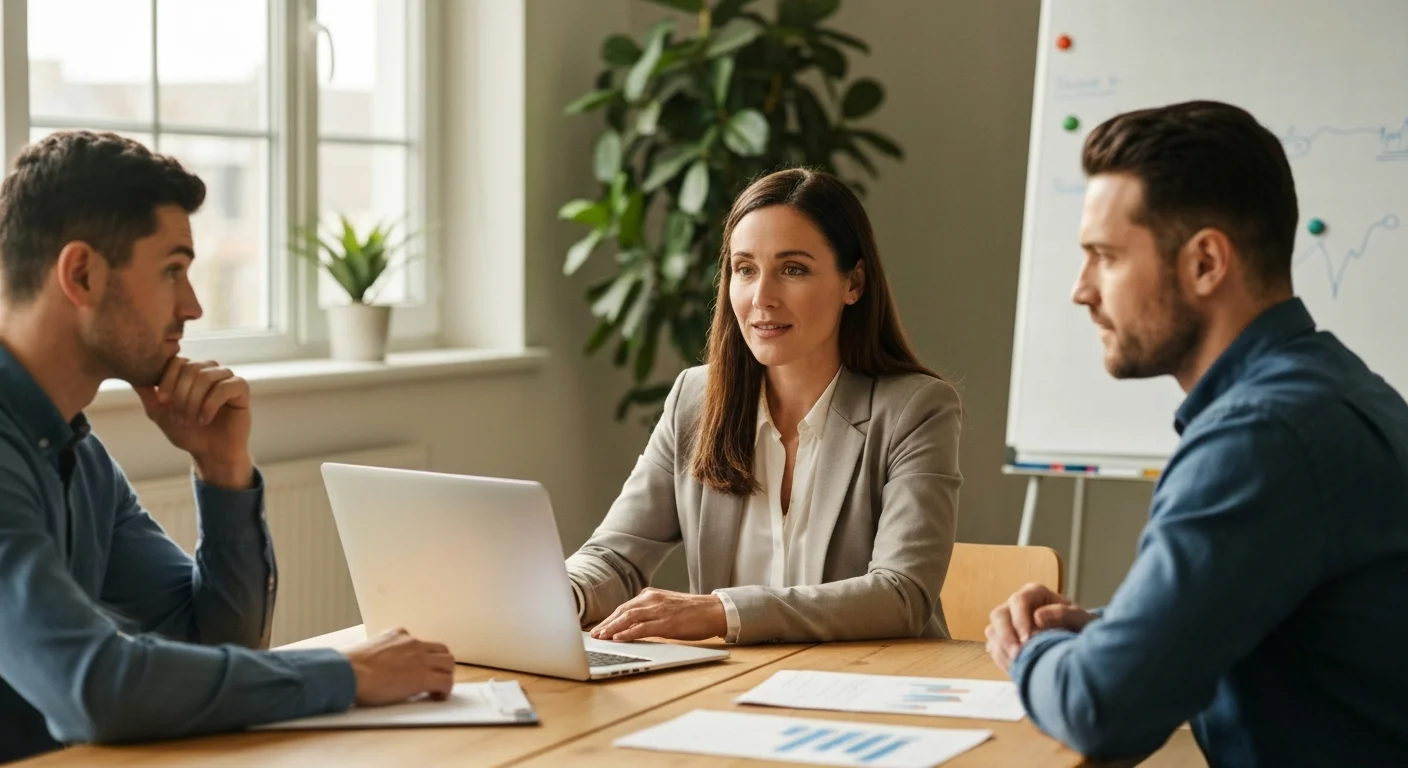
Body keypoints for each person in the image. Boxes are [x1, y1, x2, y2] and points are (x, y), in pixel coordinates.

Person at [0, 131, 454, 763]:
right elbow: (94, 687)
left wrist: (222, 471)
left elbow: (217, 643)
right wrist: (346, 675)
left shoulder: (77, 450)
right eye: (172, 270)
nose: (192, 305)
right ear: (81, 274)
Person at [985, 101, 1408, 765]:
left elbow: (1104, 708)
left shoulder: (1261, 436)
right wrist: (1105, 630)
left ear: (1207, 262)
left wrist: (1029, 651)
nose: (1081, 290)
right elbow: (1279, 613)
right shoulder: (1334, 386)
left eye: (1105, 257)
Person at [567, 168, 962, 646]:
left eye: (793, 269)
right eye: (745, 269)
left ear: (853, 282)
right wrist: (559, 595)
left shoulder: (915, 409)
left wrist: (722, 612)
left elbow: (901, 594)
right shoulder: (694, 400)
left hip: (872, 689)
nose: (762, 298)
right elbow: (616, 557)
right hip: (730, 691)